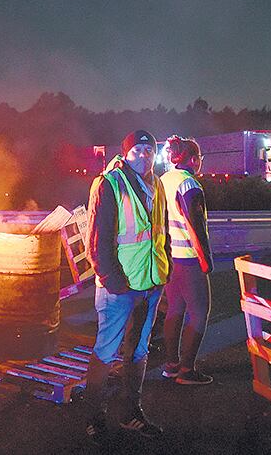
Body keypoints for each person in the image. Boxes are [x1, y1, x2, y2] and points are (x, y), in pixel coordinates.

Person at [84, 130, 171, 443]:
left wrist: (166, 265)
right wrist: (113, 281)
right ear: (126, 153)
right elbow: (98, 241)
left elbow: (162, 231)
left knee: (139, 350)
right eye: (138, 150)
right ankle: (94, 418)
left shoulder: (157, 184)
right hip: (119, 288)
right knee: (106, 351)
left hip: (151, 283)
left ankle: (131, 415)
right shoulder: (110, 183)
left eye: (150, 150)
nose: (145, 155)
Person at [159, 136, 215, 385]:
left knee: (174, 309)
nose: (200, 162)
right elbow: (196, 225)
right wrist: (206, 260)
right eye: (200, 158)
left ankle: (171, 365)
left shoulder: (163, 180)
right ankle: (187, 370)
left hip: (170, 257)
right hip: (189, 260)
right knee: (199, 313)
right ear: (193, 160)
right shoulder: (189, 184)